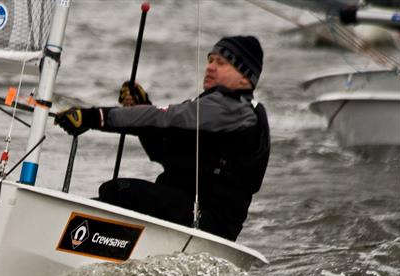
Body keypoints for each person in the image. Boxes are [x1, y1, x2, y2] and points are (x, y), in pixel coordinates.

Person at [55, 35, 270, 241]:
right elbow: (163, 152)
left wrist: (93, 117)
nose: (210, 66)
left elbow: (163, 118)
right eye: (210, 60)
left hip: (207, 223)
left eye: (221, 63)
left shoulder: (233, 109)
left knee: (120, 191)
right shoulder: (211, 108)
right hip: (187, 210)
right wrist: (142, 107)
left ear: (244, 78)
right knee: (108, 196)